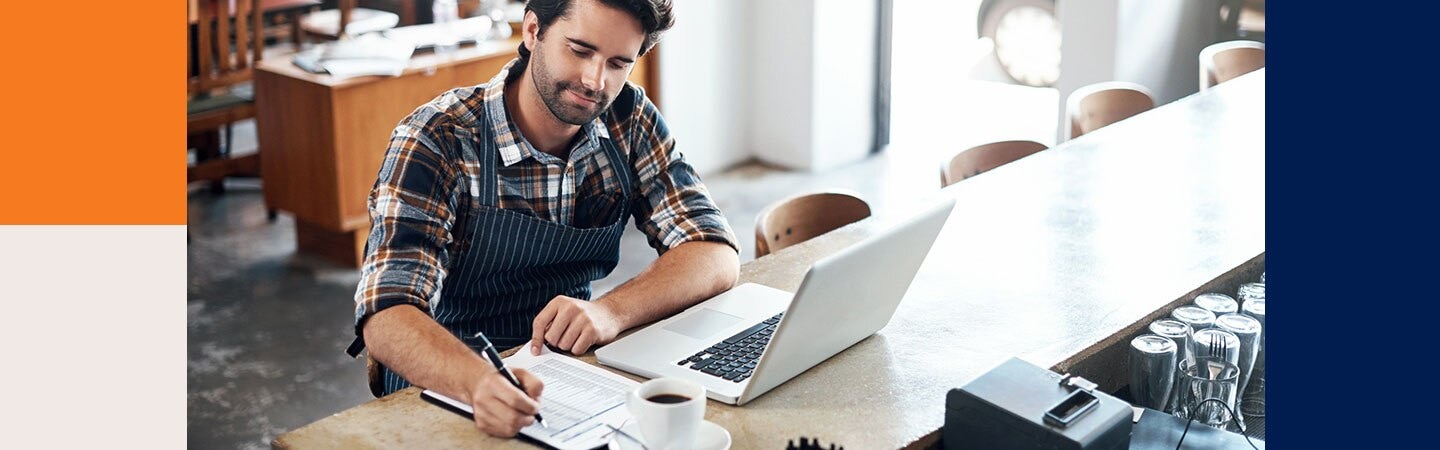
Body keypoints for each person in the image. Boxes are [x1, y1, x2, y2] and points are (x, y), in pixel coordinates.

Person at [345, 0, 740, 438]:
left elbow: (713, 250)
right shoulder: (437, 139)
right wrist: (478, 383)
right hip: (450, 374)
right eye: (580, 50)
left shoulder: (630, 117)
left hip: (572, 366)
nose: (595, 81)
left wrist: (610, 312)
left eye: (617, 63)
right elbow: (386, 313)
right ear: (533, 31)